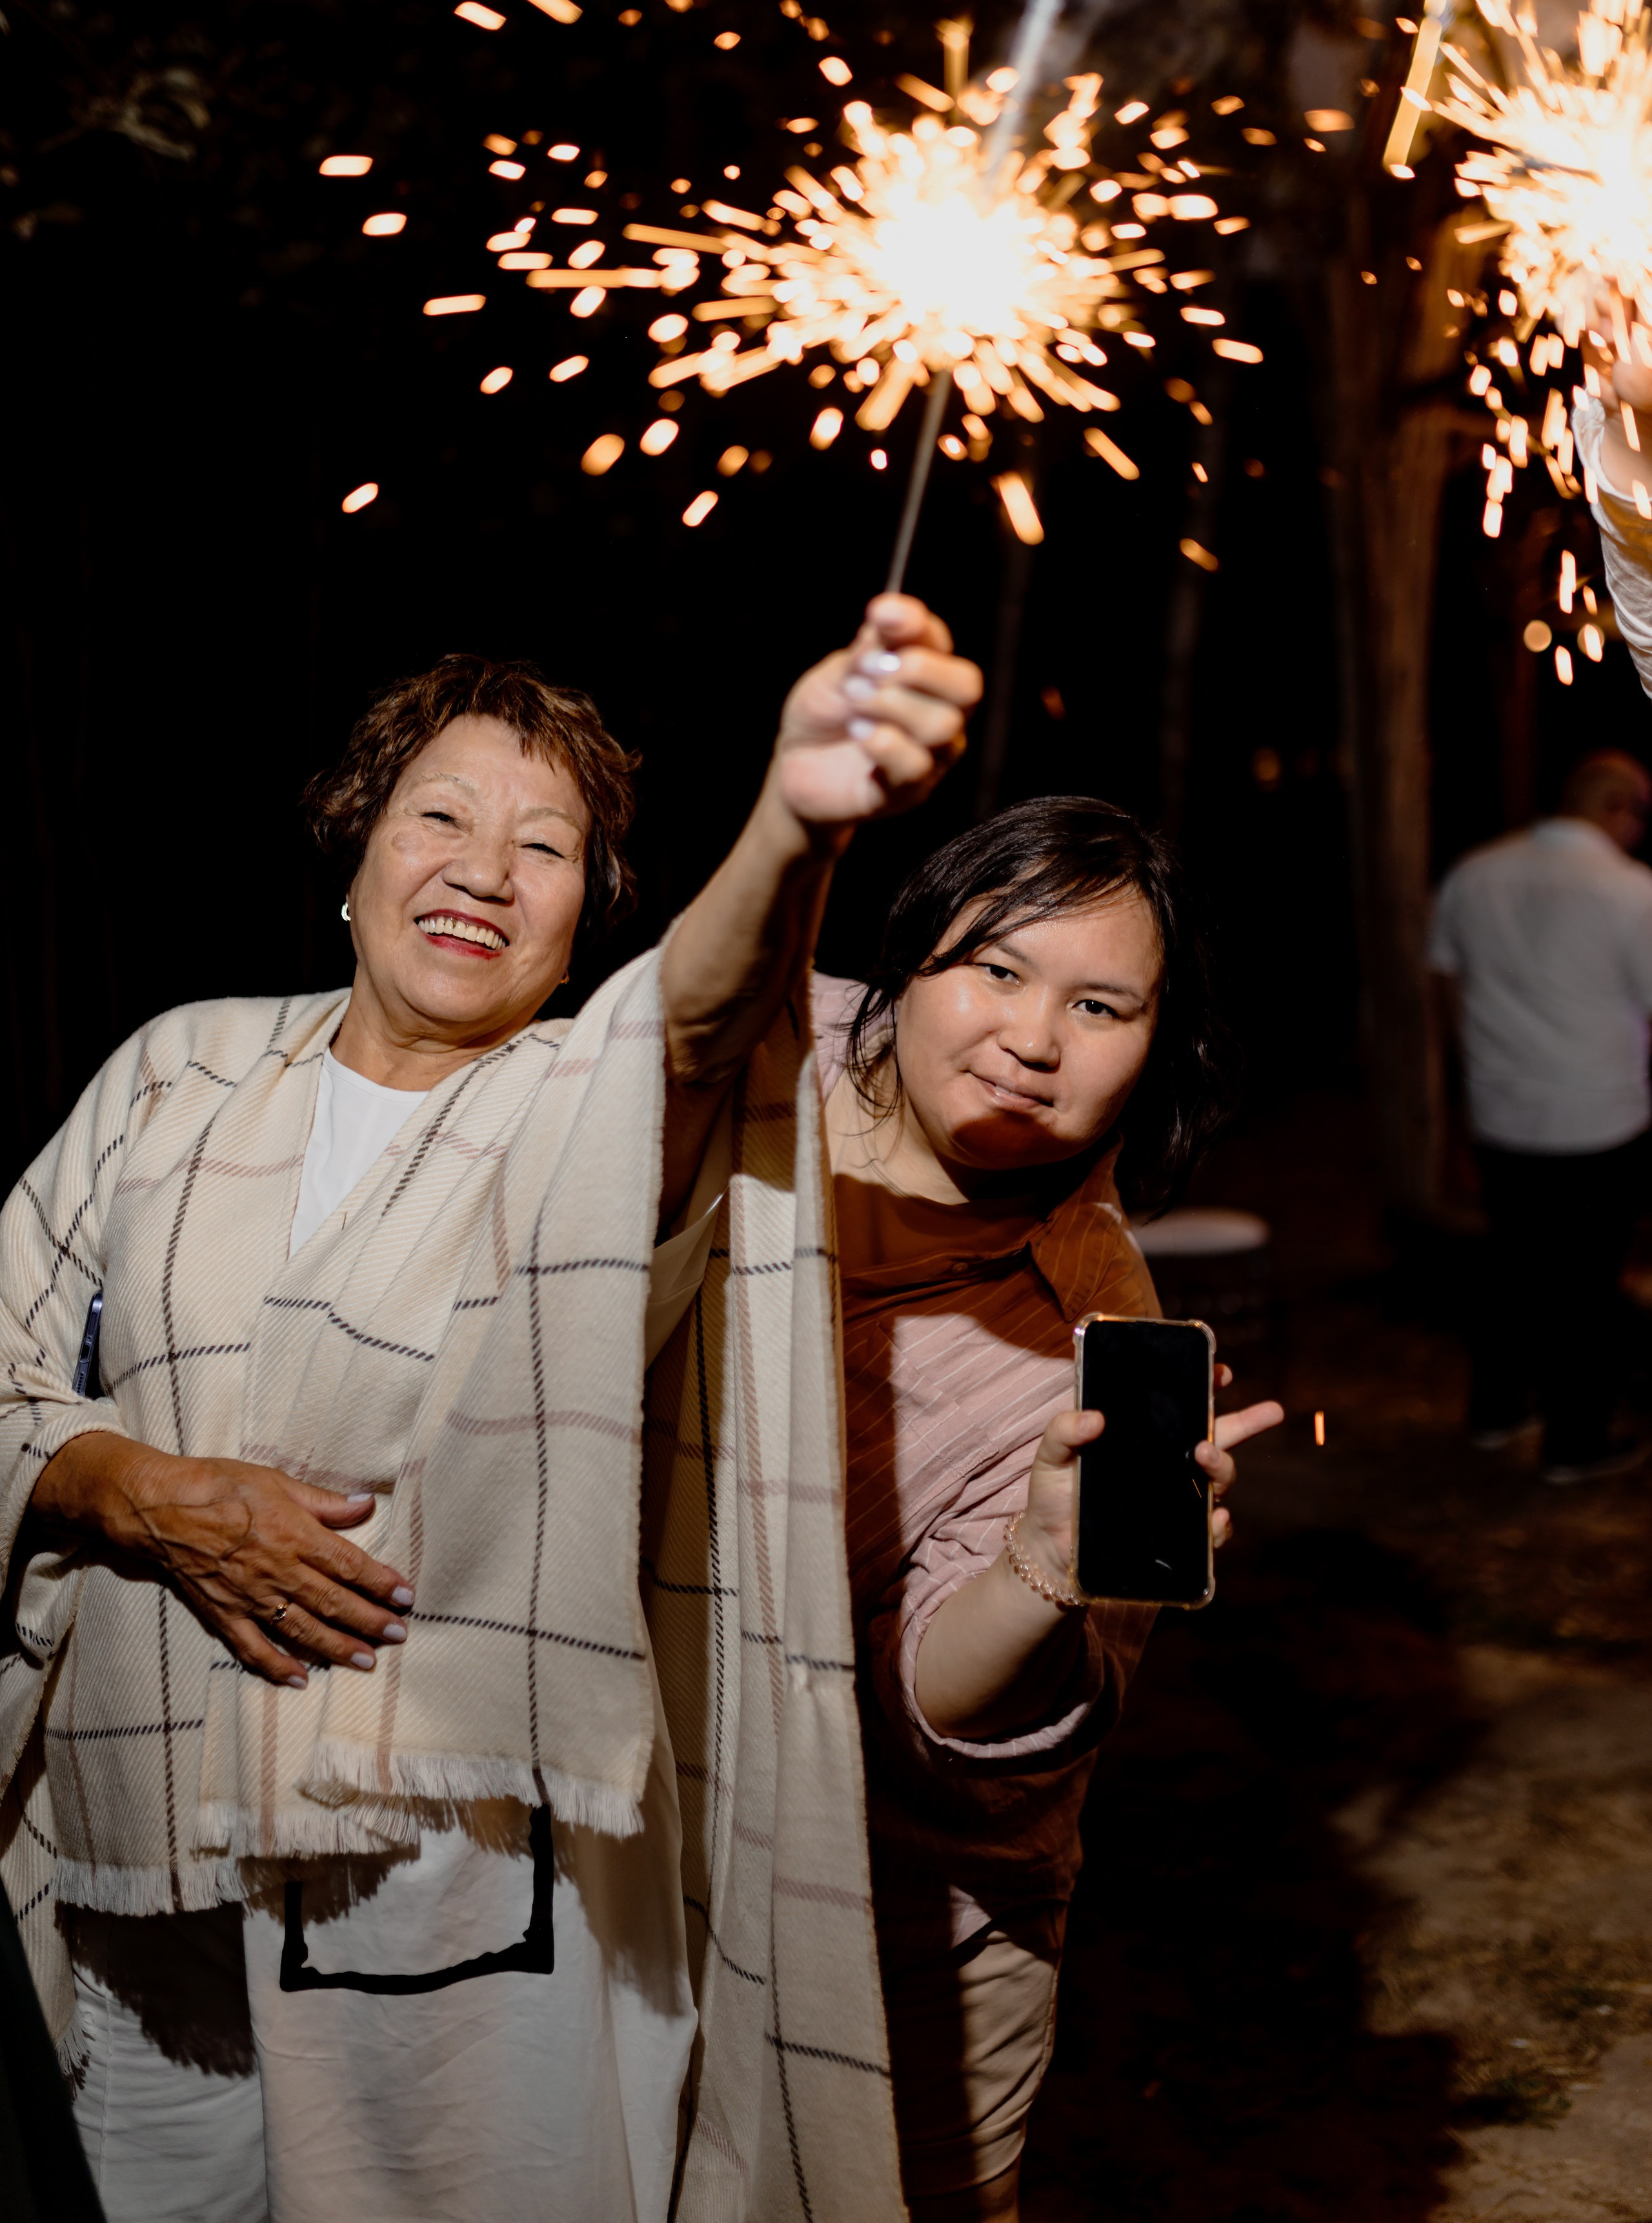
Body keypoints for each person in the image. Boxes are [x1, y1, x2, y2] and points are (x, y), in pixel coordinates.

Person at [0, 596, 980, 2223]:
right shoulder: (180, 1073)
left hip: (435, 1890)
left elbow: (694, 1024)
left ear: (584, 920)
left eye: (545, 846)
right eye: (440, 817)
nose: (484, 870)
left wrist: (794, 826)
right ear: (355, 850)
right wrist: (128, 1485)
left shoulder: (576, 1112)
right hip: (142, 1877)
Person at [800, 798, 1283, 2221]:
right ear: (908, 960)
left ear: (1154, 1047)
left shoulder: (1098, 1333)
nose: (1031, 1037)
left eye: (1098, 1005)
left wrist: (1036, 1569)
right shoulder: (751, 1064)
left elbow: (948, 1720)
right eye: (996, 969)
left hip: (906, 1909)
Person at [1428, 725, 1652, 1481]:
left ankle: (1496, 1410)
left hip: (1502, 1111)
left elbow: (1446, 990)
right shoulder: (1631, 890)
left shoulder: (1474, 873)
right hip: (1599, 1119)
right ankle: (1575, 1440)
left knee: (1512, 1265)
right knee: (1588, 1283)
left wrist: (1463, 1096)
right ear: (1619, 808)